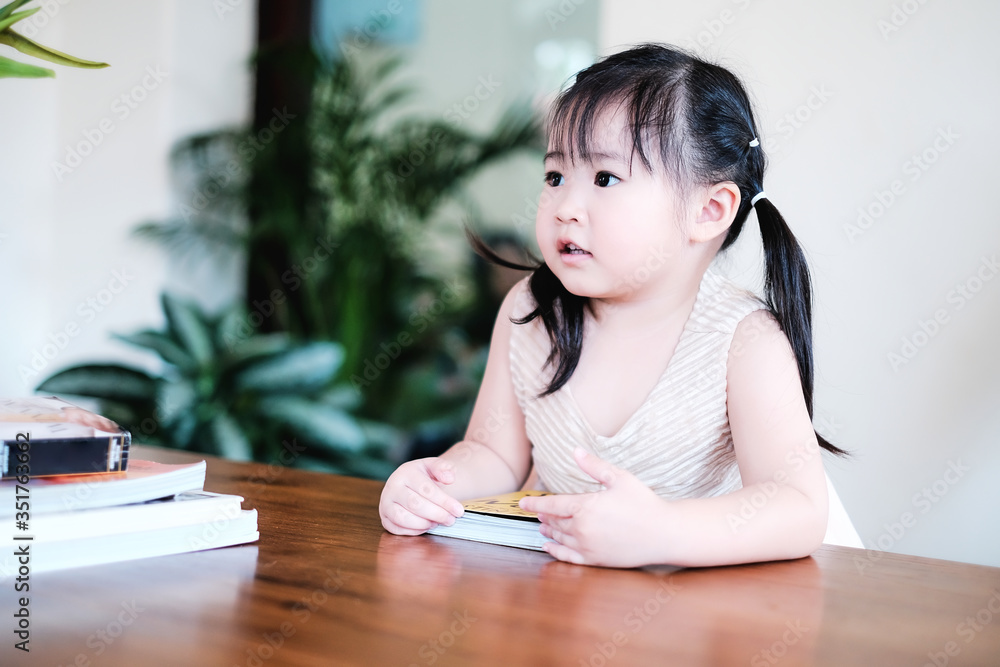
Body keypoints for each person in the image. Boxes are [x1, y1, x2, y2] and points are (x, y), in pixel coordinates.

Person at [379, 43, 848, 568]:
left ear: (709, 210)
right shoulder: (530, 312)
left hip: (702, 624)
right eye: (555, 177)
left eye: (605, 179)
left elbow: (799, 508)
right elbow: (493, 455)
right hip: (568, 609)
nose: (565, 209)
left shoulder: (745, 341)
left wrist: (662, 533)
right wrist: (433, 482)